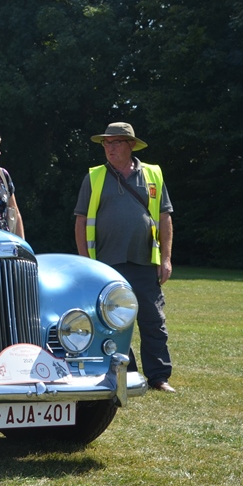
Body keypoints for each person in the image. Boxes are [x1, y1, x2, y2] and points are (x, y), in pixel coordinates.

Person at [73, 122, 176, 393]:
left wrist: (166, 259)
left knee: (153, 321)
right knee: (113, 322)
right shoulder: (94, 177)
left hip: (145, 262)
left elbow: (164, 217)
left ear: (131, 145)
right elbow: (81, 221)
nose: (110, 148)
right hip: (105, 265)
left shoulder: (153, 174)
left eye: (116, 142)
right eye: (106, 143)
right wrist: (85, 263)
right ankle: (125, 374)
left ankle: (159, 377)